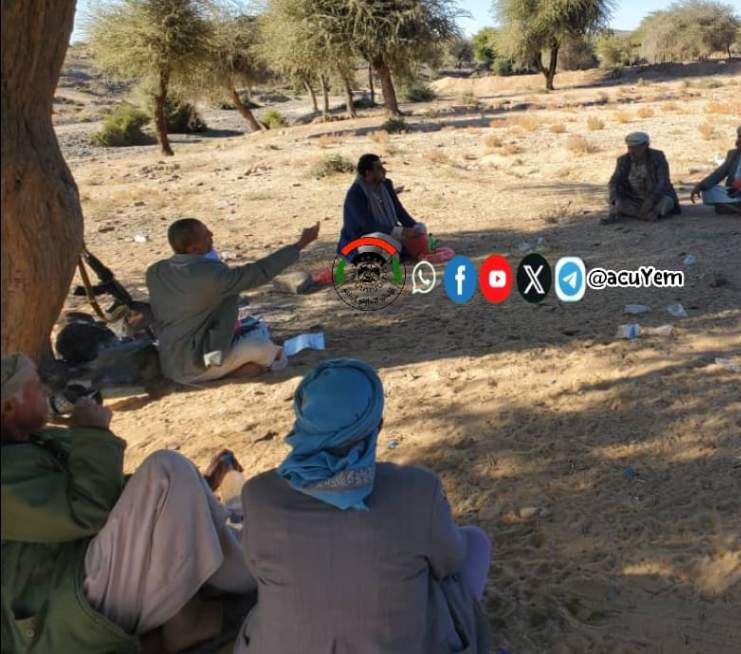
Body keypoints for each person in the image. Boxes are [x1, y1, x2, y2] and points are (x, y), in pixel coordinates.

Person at [1, 353, 255, 654]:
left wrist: (196, 486)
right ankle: (193, 616)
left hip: (78, 573)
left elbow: (116, 493)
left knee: (169, 480)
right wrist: (92, 434)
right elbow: (91, 511)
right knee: (166, 470)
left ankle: (239, 575)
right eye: (35, 384)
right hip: (59, 614)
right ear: (8, 407)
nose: (46, 389)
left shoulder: (35, 441)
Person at [237, 358, 492, 653]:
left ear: (303, 420)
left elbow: (255, 571)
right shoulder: (418, 490)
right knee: (475, 542)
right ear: (377, 426)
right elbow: (451, 561)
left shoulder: (258, 495)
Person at [146, 218, 320, 384]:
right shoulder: (211, 276)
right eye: (206, 235)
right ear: (194, 248)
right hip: (197, 365)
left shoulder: (155, 271)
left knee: (252, 328)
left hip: (170, 363)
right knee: (268, 351)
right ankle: (227, 373)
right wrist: (299, 245)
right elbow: (258, 272)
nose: (211, 235)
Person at [340, 154, 428, 260]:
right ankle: (398, 250)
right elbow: (366, 225)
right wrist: (399, 231)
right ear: (368, 172)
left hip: (390, 232)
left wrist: (414, 228)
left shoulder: (386, 185)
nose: (384, 170)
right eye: (379, 168)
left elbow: (399, 211)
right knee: (380, 239)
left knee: (420, 229)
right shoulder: (356, 193)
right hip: (361, 239)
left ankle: (399, 250)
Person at [602, 131, 680, 223]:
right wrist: (615, 197)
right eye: (629, 147)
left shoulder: (657, 157)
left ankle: (649, 213)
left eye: (635, 148)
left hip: (656, 197)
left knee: (667, 201)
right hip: (633, 198)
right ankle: (644, 215)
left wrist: (650, 200)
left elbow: (663, 181)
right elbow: (614, 181)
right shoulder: (623, 160)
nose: (632, 151)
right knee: (612, 200)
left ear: (646, 146)